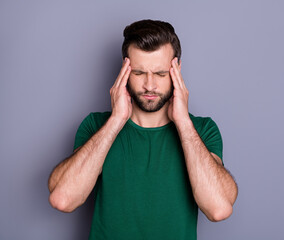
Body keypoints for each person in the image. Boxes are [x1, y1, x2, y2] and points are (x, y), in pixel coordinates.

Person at [48, 19, 238, 240]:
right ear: (125, 70)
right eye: (139, 73)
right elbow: (63, 199)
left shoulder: (202, 130)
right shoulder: (96, 125)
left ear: (176, 70)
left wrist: (184, 122)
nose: (149, 85)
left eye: (160, 74)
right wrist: (116, 120)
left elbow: (219, 209)